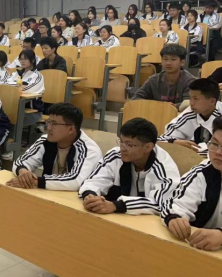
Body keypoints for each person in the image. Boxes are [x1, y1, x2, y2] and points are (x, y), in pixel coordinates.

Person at [79, 118, 180, 215]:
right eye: (121, 142)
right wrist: (90, 195)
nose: (122, 148)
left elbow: (160, 203)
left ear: (148, 147)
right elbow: (94, 180)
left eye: (129, 145)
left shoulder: (165, 168)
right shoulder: (115, 155)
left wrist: (116, 206)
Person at [8, 103, 102, 190]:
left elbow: (76, 180)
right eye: (48, 122)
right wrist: (23, 172)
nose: (48, 128)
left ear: (70, 129)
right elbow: (20, 161)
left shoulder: (89, 150)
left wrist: (36, 181)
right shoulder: (45, 141)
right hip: (49, 193)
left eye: (54, 124)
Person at [161, 119, 222, 251]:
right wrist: (174, 218)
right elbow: (174, 204)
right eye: (215, 144)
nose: (218, 152)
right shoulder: (202, 173)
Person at [159, 78, 222, 151]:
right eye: (190, 98)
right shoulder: (189, 114)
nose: (191, 103)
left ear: (212, 101)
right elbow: (162, 139)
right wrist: (174, 142)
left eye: (196, 99)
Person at [133, 45, 195, 110]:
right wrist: (159, 106)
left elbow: (190, 103)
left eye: (173, 59)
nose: (168, 63)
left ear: (182, 62)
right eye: (165, 59)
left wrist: (170, 107)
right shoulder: (153, 80)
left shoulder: (190, 81)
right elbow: (136, 98)